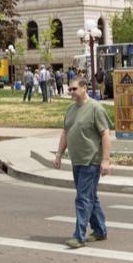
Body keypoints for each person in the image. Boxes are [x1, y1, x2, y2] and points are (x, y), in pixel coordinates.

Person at [53, 78, 111, 249]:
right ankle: (100, 230)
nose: (71, 92)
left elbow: (105, 134)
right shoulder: (70, 109)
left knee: (83, 198)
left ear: (84, 88)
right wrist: (58, 154)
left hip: (90, 161)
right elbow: (65, 132)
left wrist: (105, 160)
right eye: (69, 89)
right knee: (90, 197)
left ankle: (79, 236)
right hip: (76, 160)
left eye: (74, 88)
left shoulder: (95, 108)